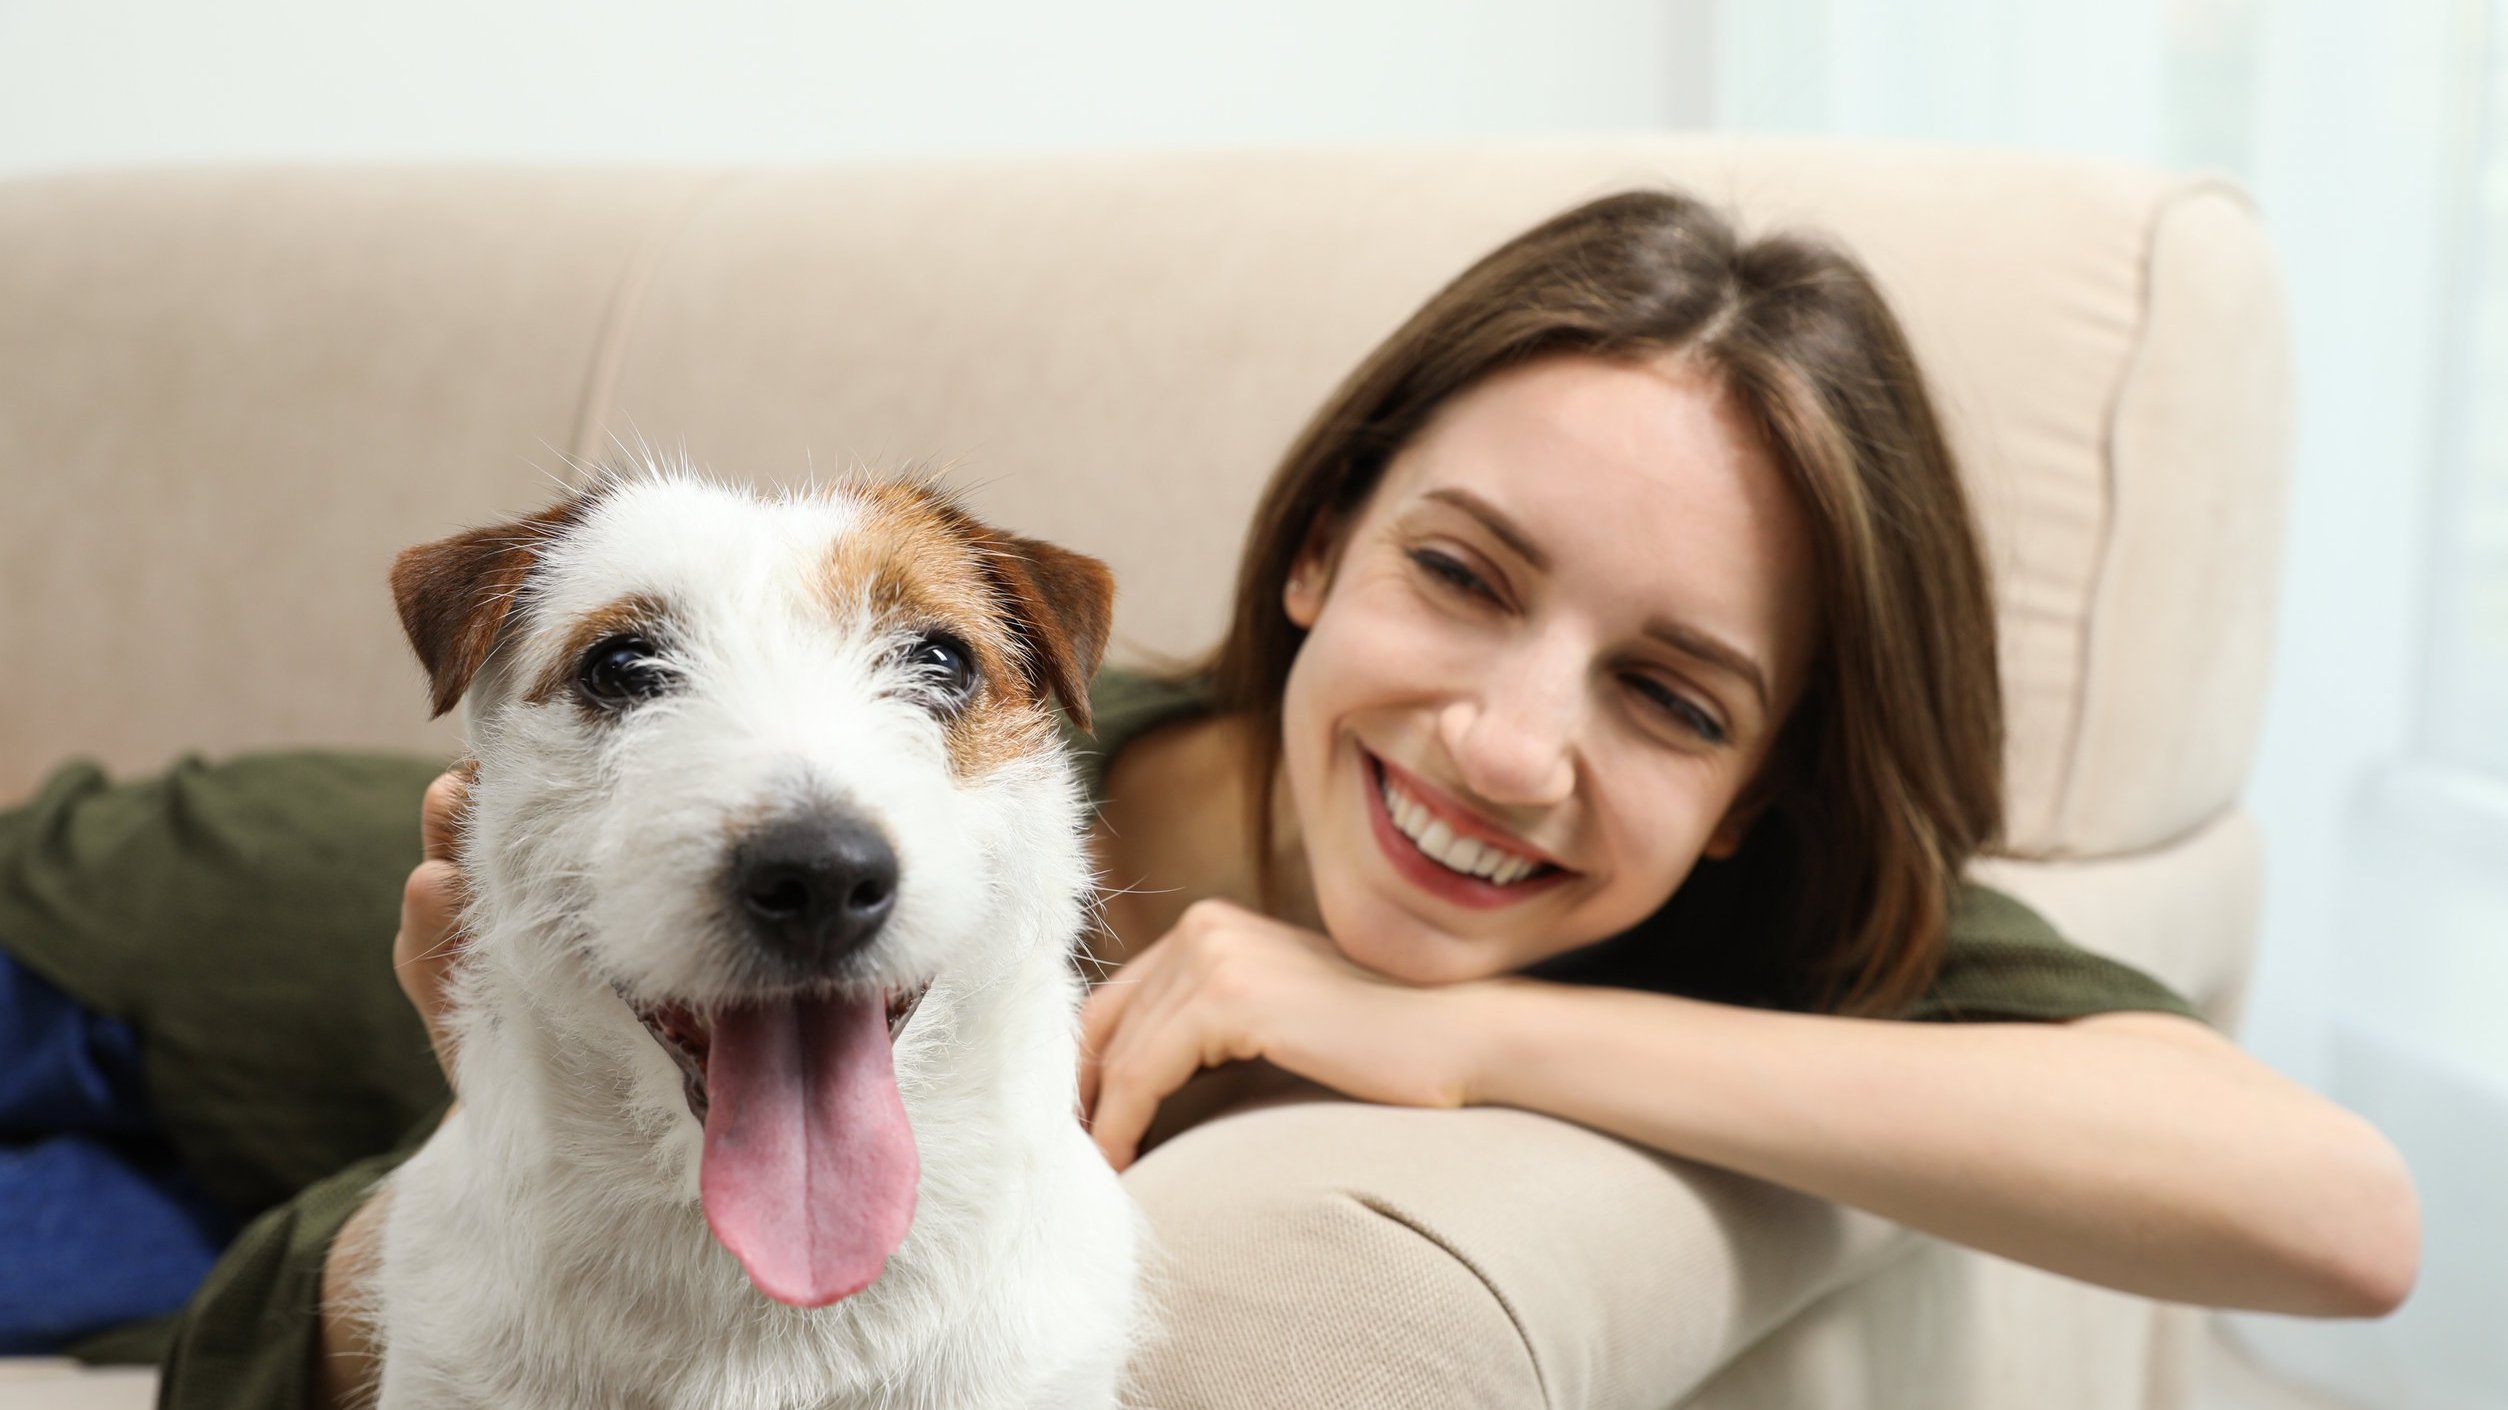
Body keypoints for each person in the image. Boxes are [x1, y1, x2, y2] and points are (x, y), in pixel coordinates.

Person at [18, 188, 2414, 1407]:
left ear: (1769, 777)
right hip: (115, 940)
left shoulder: (1711, 931)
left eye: (1672, 696)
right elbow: (322, 1321)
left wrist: (1471, 1036)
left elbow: (2330, 1213)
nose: (1505, 741)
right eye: (1461, 577)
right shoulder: (950, 749)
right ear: (1313, 542)